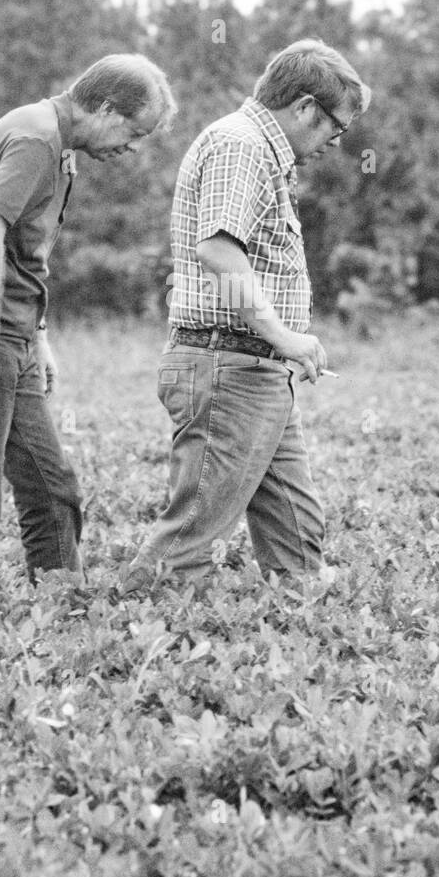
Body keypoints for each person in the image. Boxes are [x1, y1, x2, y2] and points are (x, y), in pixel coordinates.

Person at [0, 54, 176, 582]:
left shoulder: (58, 146)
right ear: (103, 107)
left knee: (52, 488)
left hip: (9, 332)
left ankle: (62, 606)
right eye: (133, 131)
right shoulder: (35, 140)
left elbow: (24, 252)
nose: (131, 147)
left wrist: (38, 333)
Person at [126, 39, 370, 592]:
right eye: (336, 127)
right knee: (186, 545)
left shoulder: (260, 152)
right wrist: (284, 336)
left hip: (256, 370)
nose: (334, 142)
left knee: (298, 547)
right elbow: (218, 250)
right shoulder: (241, 146)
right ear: (305, 106)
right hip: (227, 365)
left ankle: (305, 608)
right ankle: (134, 628)